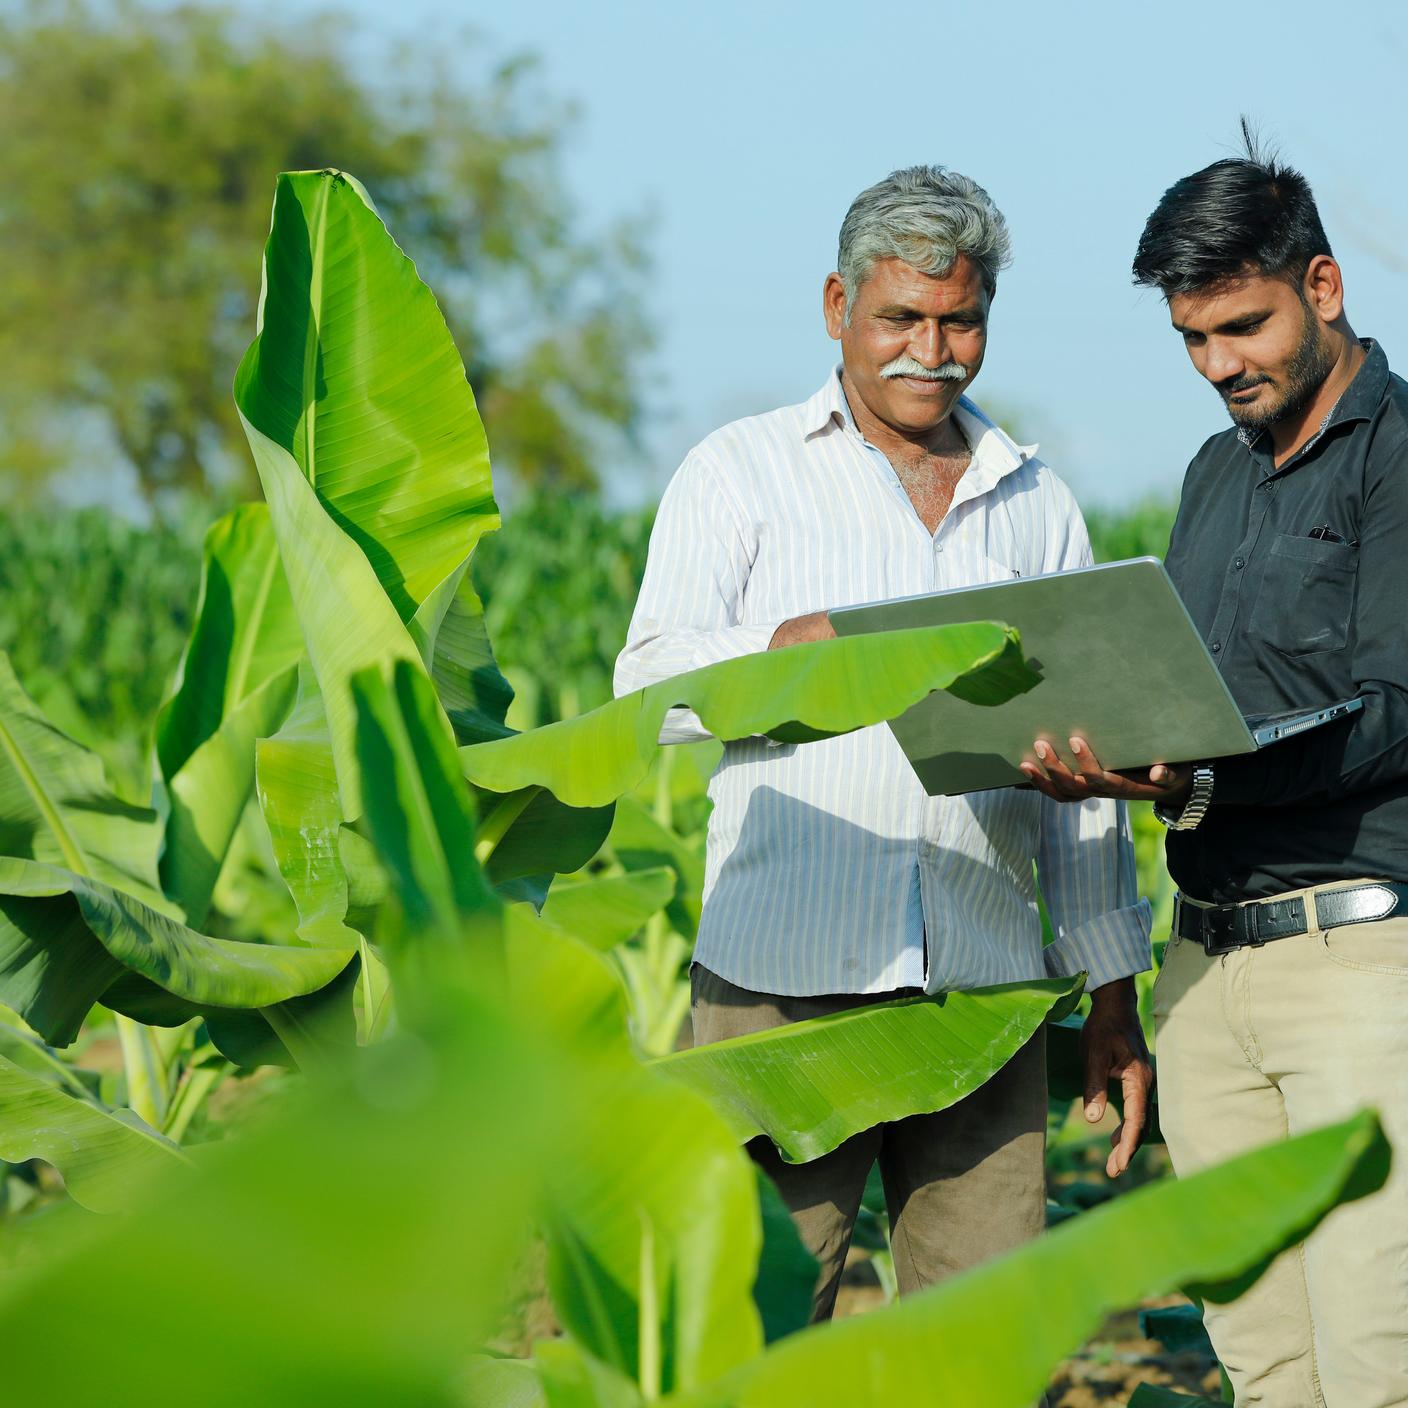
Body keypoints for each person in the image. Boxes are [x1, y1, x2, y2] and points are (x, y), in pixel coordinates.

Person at [615, 165, 1153, 1321]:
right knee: (752, 1328)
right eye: (900, 316)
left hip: (986, 989)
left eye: (959, 319)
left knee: (981, 1341)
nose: (932, 347)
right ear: (836, 309)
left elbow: (1090, 781)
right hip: (782, 990)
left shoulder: (1035, 500)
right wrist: (784, 648)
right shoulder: (740, 472)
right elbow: (645, 689)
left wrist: (1112, 991)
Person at [1022, 133, 1408, 1407]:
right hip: (1203, 972)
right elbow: (1187, 699)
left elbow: (1394, 713)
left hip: (1358, 964)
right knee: (1263, 1364)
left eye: (1240, 328)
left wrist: (1186, 778)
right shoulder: (1211, 475)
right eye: (1192, 340)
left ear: (1324, 286)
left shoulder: (1400, 459)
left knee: (1376, 1357)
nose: (1217, 367)